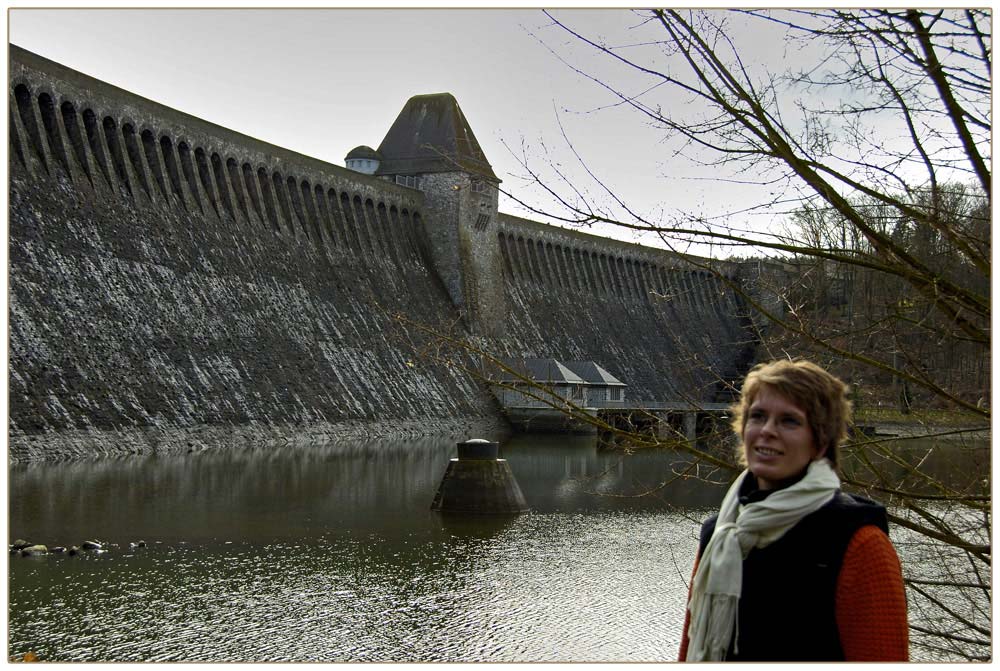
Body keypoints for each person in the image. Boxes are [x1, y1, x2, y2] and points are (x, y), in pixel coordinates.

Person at [678, 359, 908, 662]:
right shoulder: (720, 534)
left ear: (821, 441)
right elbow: (688, 651)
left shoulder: (857, 542)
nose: (767, 431)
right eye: (758, 416)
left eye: (789, 421)